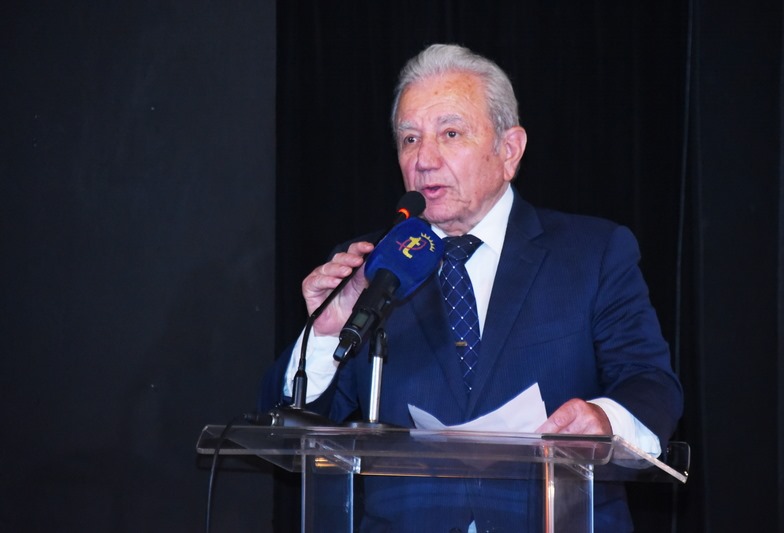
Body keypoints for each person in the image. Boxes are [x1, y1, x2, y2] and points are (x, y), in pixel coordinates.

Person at [260, 43, 683, 532]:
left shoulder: (593, 253)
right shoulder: (373, 269)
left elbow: (651, 383)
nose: (424, 159)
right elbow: (290, 426)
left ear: (509, 150)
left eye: (450, 133)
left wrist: (604, 420)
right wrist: (326, 333)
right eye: (410, 139)